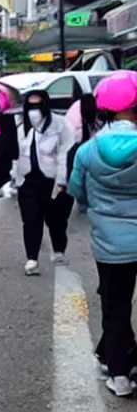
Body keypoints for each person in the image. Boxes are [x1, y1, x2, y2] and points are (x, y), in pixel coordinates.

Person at [68, 70, 137, 397]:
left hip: (109, 246)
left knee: (115, 307)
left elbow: (77, 191)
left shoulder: (87, 152)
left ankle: (120, 377)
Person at [14, 90, 75, 276]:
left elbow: (66, 152)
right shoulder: (20, 124)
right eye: (30, 106)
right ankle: (31, 259)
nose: (34, 110)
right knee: (31, 220)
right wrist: (14, 178)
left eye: (37, 105)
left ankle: (58, 251)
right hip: (27, 180)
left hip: (52, 180)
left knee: (56, 221)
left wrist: (62, 180)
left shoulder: (60, 124)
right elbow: (15, 153)